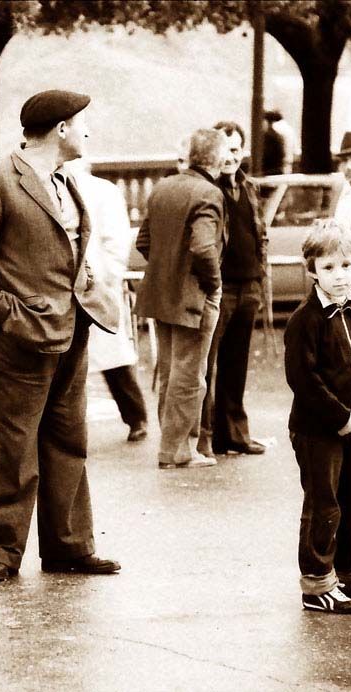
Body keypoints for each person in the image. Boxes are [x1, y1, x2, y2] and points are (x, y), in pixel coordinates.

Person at [0, 90, 120, 584]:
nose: (88, 131)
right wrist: (7, 314)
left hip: (72, 328)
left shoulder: (66, 180)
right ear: (61, 128)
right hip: (23, 336)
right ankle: (0, 552)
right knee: (15, 445)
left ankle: (69, 546)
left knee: (69, 440)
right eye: (82, 123)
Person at [285, 219, 351, 614]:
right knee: (324, 504)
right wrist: (340, 416)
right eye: (328, 267)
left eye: (346, 265)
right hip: (318, 430)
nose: (339, 276)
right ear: (311, 269)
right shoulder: (306, 320)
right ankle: (317, 585)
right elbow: (303, 378)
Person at [134, 128, 226, 469]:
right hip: (193, 297)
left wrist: (166, 268)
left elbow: (143, 242)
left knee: (170, 372)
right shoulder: (208, 193)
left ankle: (170, 445)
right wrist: (213, 283)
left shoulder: (163, 187)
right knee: (190, 375)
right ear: (215, 159)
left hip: (160, 294)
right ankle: (177, 449)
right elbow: (203, 246)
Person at [197, 121, 267, 458]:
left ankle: (235, 435)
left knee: (236, 365)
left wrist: (260, 275)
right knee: (207, 366)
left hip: (248, 285)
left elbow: (259, 233)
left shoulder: (248, 187)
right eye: (225, 150)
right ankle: (206, 436)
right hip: (220, 288)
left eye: (236, 149)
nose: (231, 157)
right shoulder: (207, 189)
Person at [65, 158, 148, 442]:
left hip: (96, 282)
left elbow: (117, 239)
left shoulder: (102, 191)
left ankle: (136, 415)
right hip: (69, 284)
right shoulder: (55, 187)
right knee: (76, 358)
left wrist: (109, 274)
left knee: (113, 357)